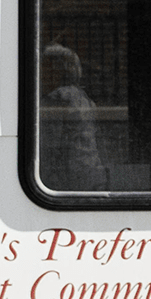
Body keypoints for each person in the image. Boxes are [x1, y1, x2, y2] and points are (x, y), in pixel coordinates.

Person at [38, 43, 107, 191]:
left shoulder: (58, 97)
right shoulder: (84, 98)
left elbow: (51, 144)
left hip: (71, 174)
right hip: (93, 169)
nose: (40, 72)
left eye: (44, 66)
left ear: (56, 69)